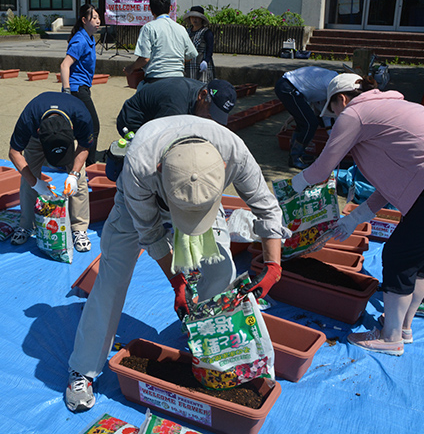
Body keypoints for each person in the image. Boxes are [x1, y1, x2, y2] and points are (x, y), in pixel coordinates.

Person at [65, 115, 290, 412]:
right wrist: (177, 283)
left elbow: (267, 209)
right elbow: (151, 234)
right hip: (136, 206)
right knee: (112, 278)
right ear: (160, 170)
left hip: (204, 200)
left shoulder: (234, 152)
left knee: (222, 269)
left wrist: (273, 266)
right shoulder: (140, 164)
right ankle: (83, 369)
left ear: (223, 169)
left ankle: (212, 352)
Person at [290, 73, 424, 356]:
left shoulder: (355, 113)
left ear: (342, 99)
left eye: (332, 109)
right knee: (422, 257)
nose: (334, 117)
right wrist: (353, 219)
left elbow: (321, 170)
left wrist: (287, 190)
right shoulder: (391, 108)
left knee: (399, 256)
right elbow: (390, 186)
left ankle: (390, 337)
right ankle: (404, 327)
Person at [8, 92, 94, 253]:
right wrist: (35, 183)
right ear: (39, 130)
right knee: (28, 178)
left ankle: (79, 229)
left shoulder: (81, 116)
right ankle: (26, 226)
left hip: (66, 138)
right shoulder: (29, 119)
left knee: (80, 179)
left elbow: (84, 146)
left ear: (72, 128)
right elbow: (14, 152)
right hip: (35, 140)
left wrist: (73, 175)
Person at [123, 0, 197, 86]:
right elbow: (189, 56)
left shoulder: (148, 28)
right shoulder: (181, 28)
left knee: (133, 101)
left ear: (151, 10)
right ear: (170, 8)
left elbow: (144, 59)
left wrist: (131, 67)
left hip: (156, 79)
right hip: (178, 80)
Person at [116, 77, 236, 136]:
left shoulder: (201, 94)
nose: (211, 120)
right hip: (133, 120)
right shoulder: (175, 106)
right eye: (210, 113)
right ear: (203, 96)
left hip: (158, 114)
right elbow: (162, 139)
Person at [60, 4, 102, 166]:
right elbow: (65, 65)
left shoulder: (89, 38)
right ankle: (90, 164)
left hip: (83, 88)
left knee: (78, 129)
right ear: (84, 20)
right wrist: (67, 92)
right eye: (94, 18)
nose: (98, 21)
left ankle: (72, 160)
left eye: (98, 18)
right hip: (76, 90)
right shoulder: (80, 39)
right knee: (93, 126)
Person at [274, 66, 338, 169]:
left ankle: (298, 153)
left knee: (304, 123)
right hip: (288, 87)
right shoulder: (332, 85)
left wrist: (333, 138)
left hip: (289, 87)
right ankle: (295, 157)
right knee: (310, 123)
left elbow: (326, 117)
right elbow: (329, 115)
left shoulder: (330, 86)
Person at [184, 6, 215, 83]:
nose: (194, 19)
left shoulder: (206, 32)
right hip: (189, 65)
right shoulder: (187, 32)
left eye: (197, 17)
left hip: (202, 65)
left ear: (201, 19)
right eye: (192, 17)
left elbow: (210, 48)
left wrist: (206, 61)